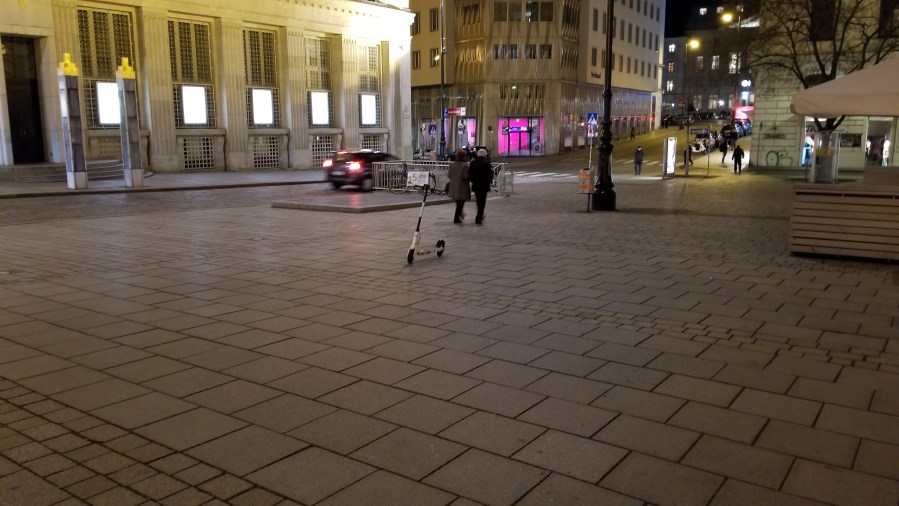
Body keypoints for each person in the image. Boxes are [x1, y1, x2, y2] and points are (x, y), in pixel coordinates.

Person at [469, 149, 493, 225]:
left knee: (478, 201)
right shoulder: (487, 163)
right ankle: (479, 217)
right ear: (485, 155)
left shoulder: (473, 163)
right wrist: (489, 182)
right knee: (482, 202)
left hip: (476, 185)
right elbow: (490, 175)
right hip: (484, 185)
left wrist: (473, 181)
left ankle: (480, 214)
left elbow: (470, 174)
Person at [447, 148, 471, 224]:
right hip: (461, 187)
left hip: (453, 186)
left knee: (458, 203)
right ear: (464, 156)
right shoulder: (464, 165)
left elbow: (449, 175)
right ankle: (456, 218)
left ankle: (460, 214)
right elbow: (465, 176)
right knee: (461, 203)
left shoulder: (452, 164)